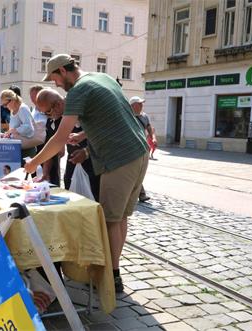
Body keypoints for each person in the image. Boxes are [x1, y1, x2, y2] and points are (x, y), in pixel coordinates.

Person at [24, 54, 149, 293]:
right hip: (139, 152)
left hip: (120, 158)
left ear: (62, 70)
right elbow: (114, 119)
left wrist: (33, 164)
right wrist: (82, 137)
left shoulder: (77, 92)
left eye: (55, 79)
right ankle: (114, 270)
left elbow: (58, 139)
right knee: (121, 217)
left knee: (111, 220)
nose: (57, 85)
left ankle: (111, 278)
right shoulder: (101, 78)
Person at [37, 88, 100, 199]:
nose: (47, 116)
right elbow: (51, 146)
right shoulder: (54, 119)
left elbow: (101, 130)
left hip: (96, 164)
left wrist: (86, 152)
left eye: (48, 112)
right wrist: (45, 172)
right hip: (72, 164)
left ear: (58, 104)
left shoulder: (80, 106)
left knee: (95, 201)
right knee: (70, 198)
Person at [130, 96, 157, 203]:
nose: (142, 106)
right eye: (139, 104)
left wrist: (153, 138)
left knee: (138, 172)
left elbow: (149, 128)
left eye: (142, 104)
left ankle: (140, 193)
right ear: (133, 105)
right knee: (134, 172)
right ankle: (141, 194)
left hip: (142, 147)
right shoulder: (127, 115)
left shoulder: (144, 116)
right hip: (130, 148)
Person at [0, 89, 38, 159]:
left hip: (27, 148)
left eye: (5, 104)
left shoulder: (22, 108)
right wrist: (8, 134)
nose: (5, 107)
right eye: (3, 105)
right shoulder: (13, 110)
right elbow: (14, 128)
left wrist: (14, 130)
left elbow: (29, 128)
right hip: (19, 147)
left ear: (12, 100)